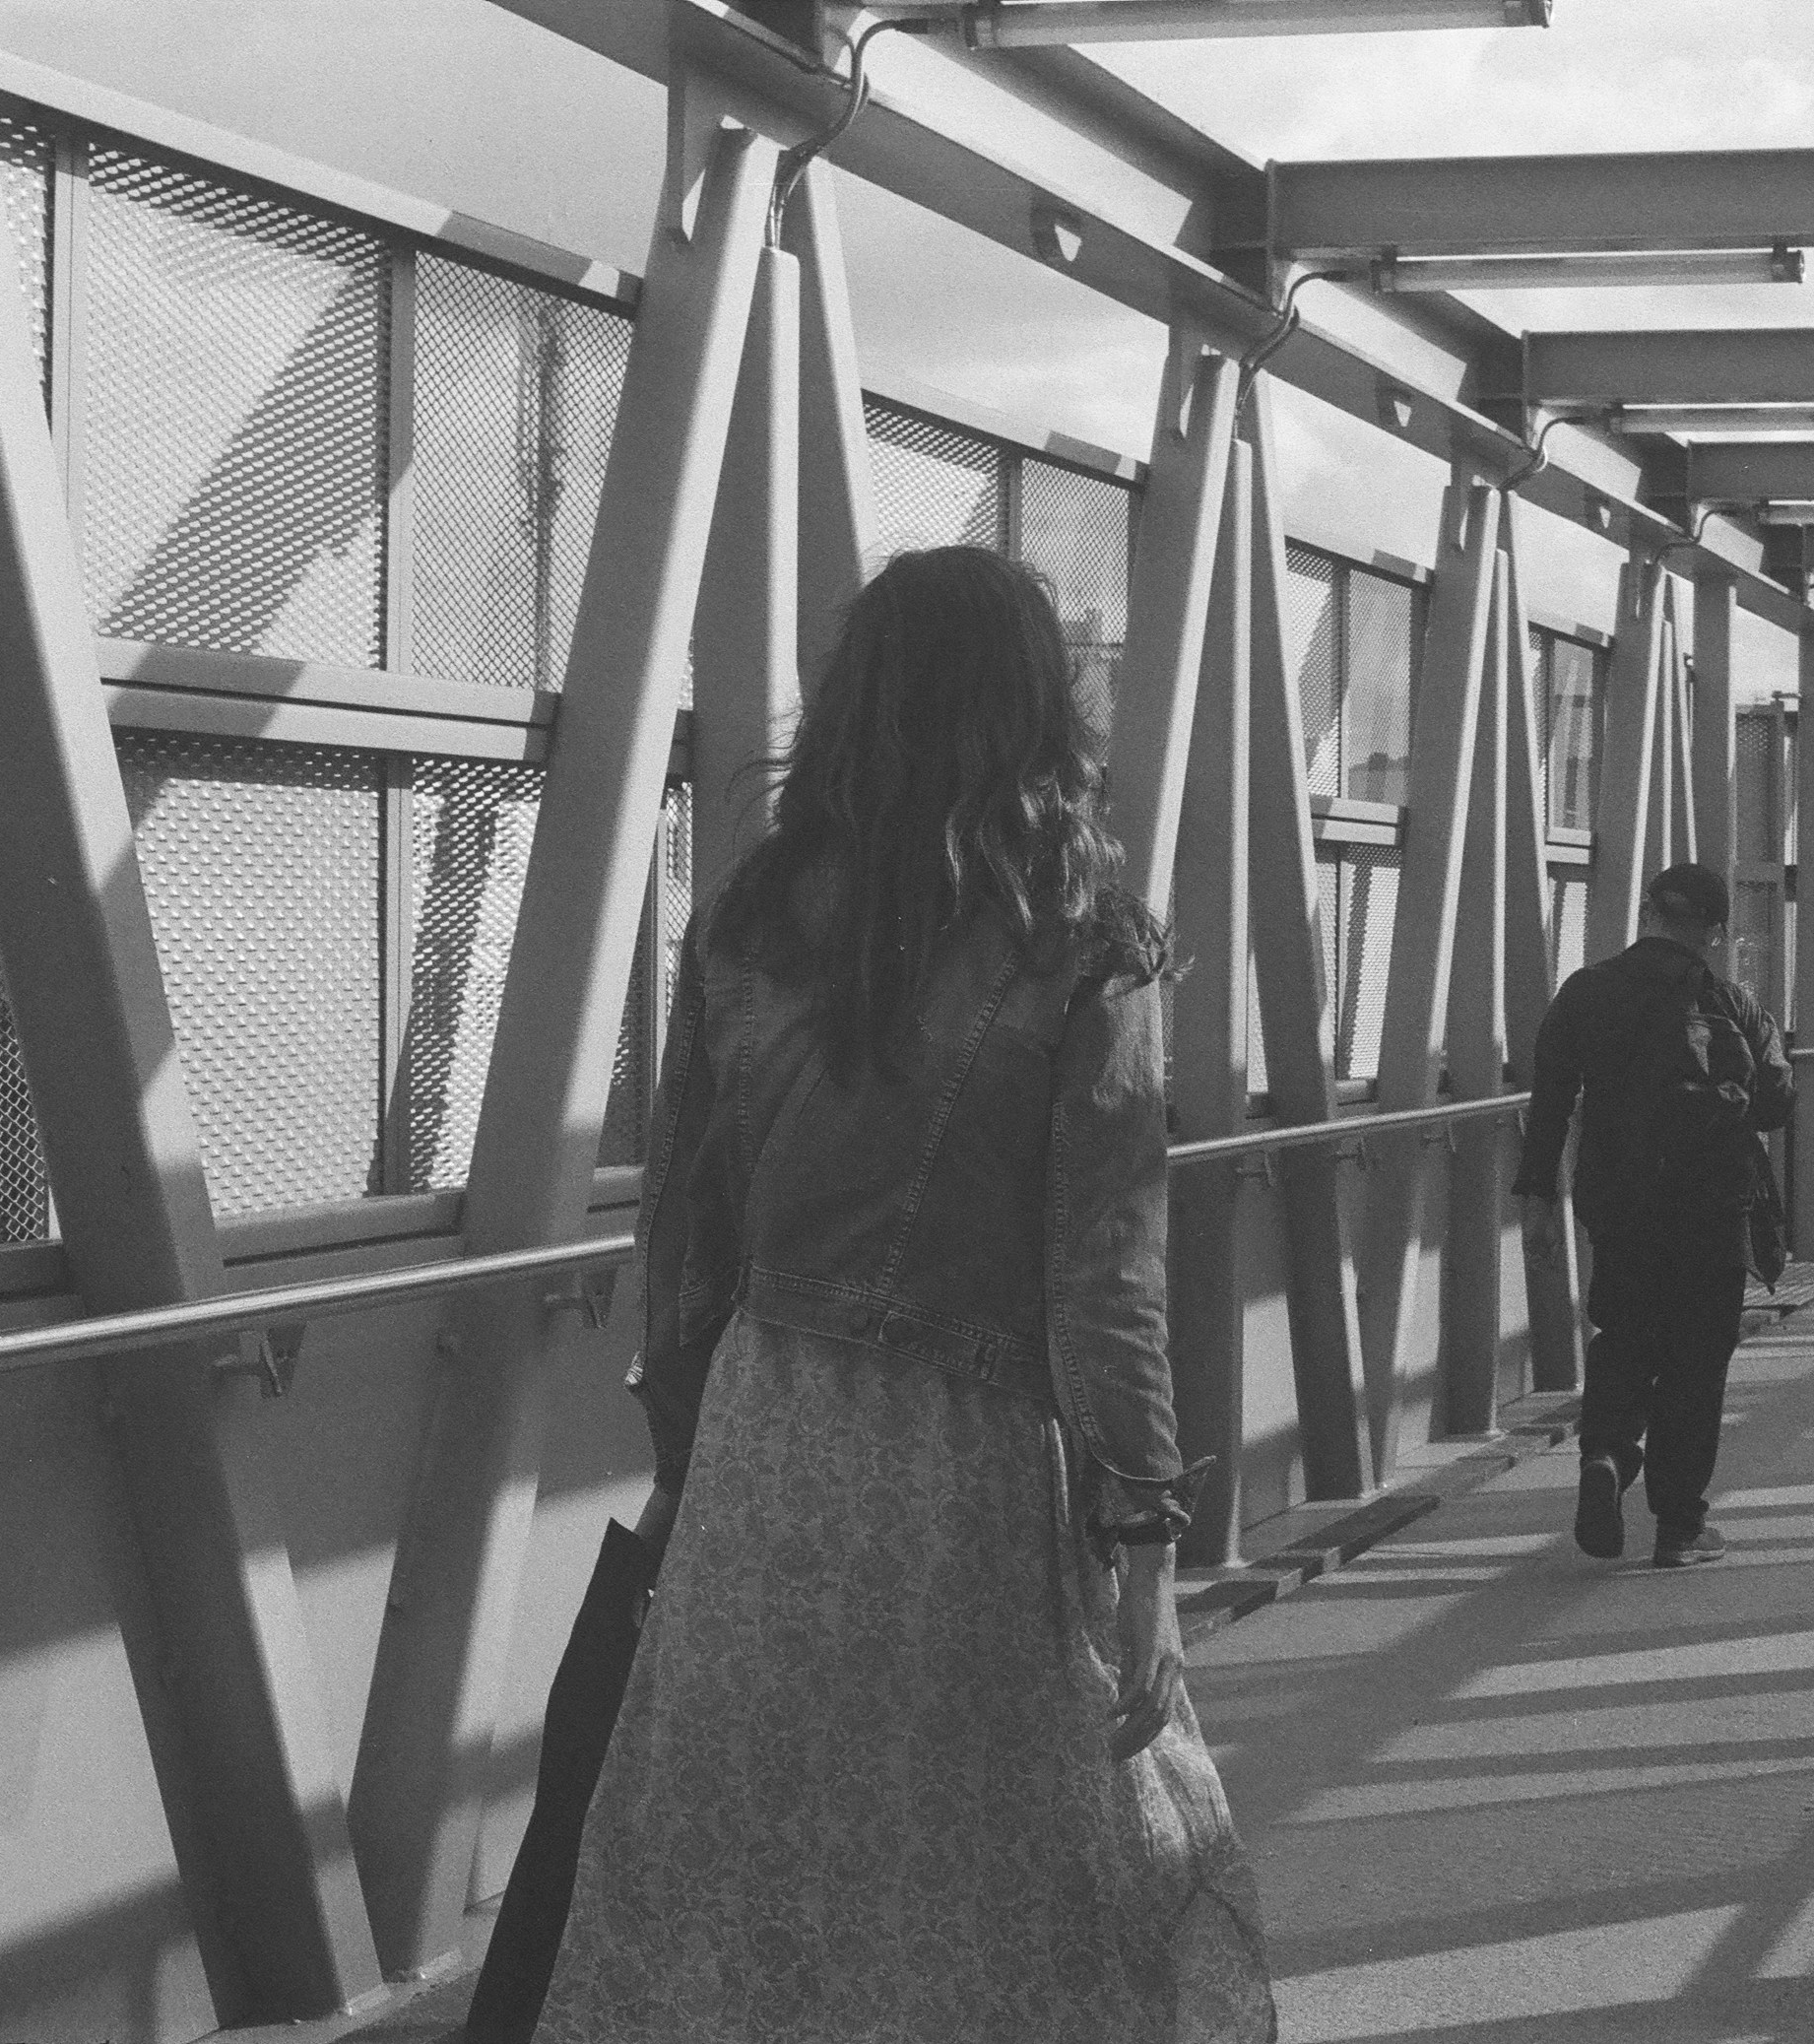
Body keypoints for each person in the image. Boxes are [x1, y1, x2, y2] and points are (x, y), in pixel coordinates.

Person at [536, 548, 1274, 2044]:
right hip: (969, 1483)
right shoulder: (1086, 946)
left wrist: (692, 1465)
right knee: (1012, 1864)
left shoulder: (744, 924)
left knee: (755, 1867)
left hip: (766, 1453)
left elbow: (684, 1239)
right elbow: (1104, 1278)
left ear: (852, 701)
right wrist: (1141, 1538)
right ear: (1034, 711)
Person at [1516, 863, 1791, 1569]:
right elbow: (1776, 1103)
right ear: (1717, 930)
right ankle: (1679, 1527)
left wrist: (1538, 1199)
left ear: (1646, 911)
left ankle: (1606, 1452)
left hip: (1622, 1203)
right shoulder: (1733, 1002)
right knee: (1697, 1364)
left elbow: (1548, 1097)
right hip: (1713, 1208)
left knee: (1626, 1334)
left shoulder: (1588, 991)